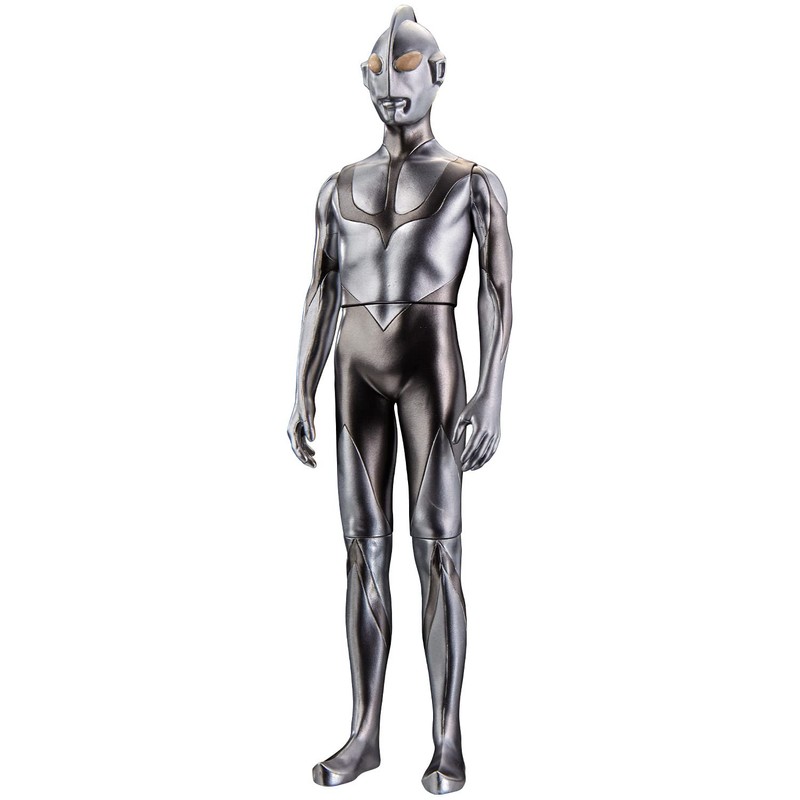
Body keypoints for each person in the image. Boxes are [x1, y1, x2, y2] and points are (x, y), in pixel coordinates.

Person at [287, 5, 512, 794]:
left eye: (408, 66)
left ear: (438, 74)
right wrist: (300, 386)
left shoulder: (473, 182)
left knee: (438, 548)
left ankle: (447, 739)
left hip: (430, 368)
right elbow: (320, 288)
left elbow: (496, 291)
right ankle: (365, 733)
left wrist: (491, 392)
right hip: (353, 368)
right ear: (363, 78)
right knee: (362, 550)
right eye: (379, 70)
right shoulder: (335, 187)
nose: (392, 83)